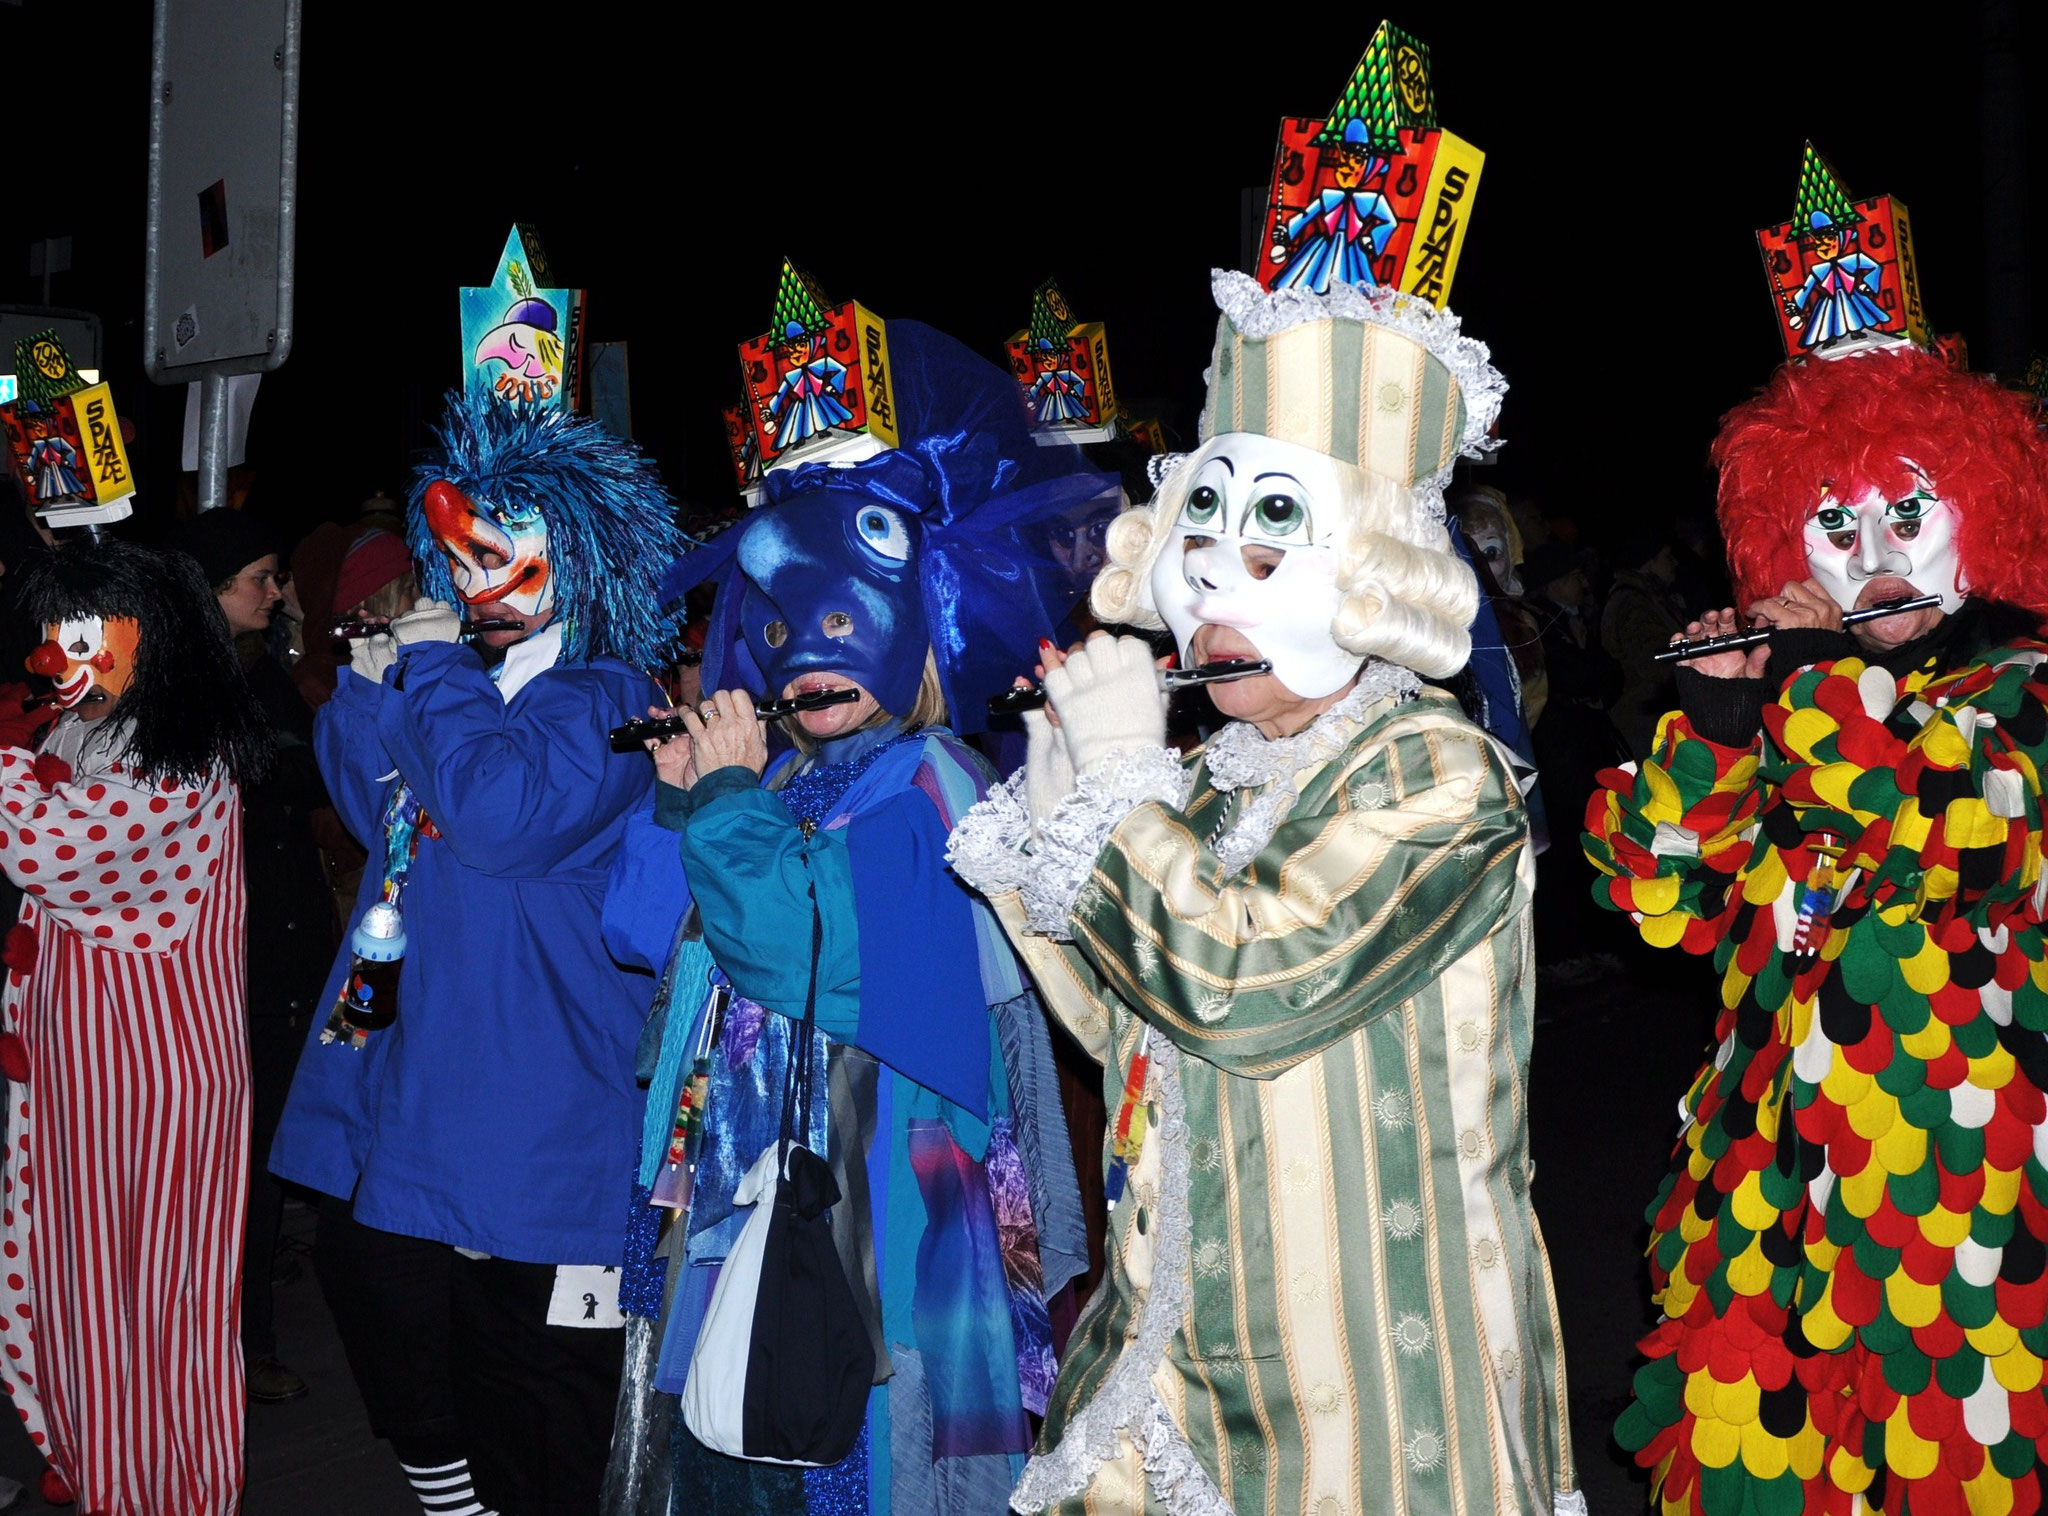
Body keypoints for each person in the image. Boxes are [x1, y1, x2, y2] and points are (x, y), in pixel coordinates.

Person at [950, 270, 1580, 1515]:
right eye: (1200, 534)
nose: (1212, 586)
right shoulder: (1211, 782)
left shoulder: (1437, 773)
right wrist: (1050, 820)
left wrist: (1122, 790)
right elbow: (1135, 1035)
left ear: (1374, 567)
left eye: (1268, 539)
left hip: (1369, 1395)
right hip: (1177, 1345)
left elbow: (1243, 986)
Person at [604, 321, 1104, 1516]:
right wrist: (679, 806)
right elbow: (642, 933)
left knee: (866, 1462)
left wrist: (722, 803)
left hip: (877, 1207)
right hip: (744, 1189)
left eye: (844, 620)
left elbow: (802, 951)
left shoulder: (934, 778)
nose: (804, 659)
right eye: (780, 626)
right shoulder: (771, 778)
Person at [1587, 348, 2048, 1515]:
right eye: (1833, 527)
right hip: (1767, 1186)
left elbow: (1936, 829)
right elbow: (1656, 896)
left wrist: (1809, 678)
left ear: (1982, 512)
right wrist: (1715, 729)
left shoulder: (2021, 690)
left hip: (1965, 1207)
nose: (1877, 559)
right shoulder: (1806, 695)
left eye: (1907, 513)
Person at [268, 393, 687, 1516]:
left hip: (537, 1113)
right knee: (400, 1343)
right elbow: (379, 813)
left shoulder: (608, 696)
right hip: (408, 1079)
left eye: (498, 556)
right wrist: (367, 688)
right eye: (455, 558)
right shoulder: (454, 677)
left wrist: (434, 672)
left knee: (541, 1412)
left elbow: (499, 818)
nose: (472, 583)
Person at [0, 536, 271, 1515]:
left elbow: (38, 845)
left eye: (88, 633)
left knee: (152, 1306)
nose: (63, 654)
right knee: (87, 1290)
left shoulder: (178, 756)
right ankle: (95, 1452)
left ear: (148, 640)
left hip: (154, 1082)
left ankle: (161, 1489)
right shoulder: (82, 732)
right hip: (89, 1070)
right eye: (52, 633)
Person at [172, 507, 337, 1408]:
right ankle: (226, 1349)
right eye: (258, 580)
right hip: (216, 966)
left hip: (283, 948)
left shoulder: (265, 680)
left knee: (269, 1149)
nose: (275, 594)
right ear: (208, 590)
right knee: (229, 1165)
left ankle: (247, 1332)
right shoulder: (174, 695)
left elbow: (301, 792)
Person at [1599, 524, 1689, 760]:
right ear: (1648, 561)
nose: (1674, 563)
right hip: (1648, 721)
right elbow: (1654, 663)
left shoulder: (1647, 597)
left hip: (1655, 714)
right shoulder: (1633, 603)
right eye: (1667, 557)